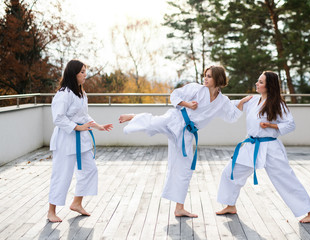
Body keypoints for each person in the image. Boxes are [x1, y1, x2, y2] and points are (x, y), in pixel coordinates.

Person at [119, 66, 252, 218]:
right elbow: (175, 95)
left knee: (184, 169)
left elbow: (232, 115)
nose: (205, 78)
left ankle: (179, 208)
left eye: (209, 76)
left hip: (187, 133)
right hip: (175, 119)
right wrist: (188, 104)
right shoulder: (196, 89)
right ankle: (134, 116)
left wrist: (242, 102)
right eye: (205, 75)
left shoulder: (222, 101)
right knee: (153, 123)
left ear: (218, 79)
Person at [216, 71, 310, 223]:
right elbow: (230, 105)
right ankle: (230, 205)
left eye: (261, 82)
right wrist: (216, 95)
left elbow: (290, 124)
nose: (257, 84)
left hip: (271, 147)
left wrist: (271, 125)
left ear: (269, 86)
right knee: (230, 172)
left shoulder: (278, 103)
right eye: (258, 81)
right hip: (251, 145)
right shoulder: (252, 100)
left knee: (286, 179)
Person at [47, 60, 113, 222]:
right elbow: (58, 118)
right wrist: (77, 128)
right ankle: (51, 211)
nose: (85, 75)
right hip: (65, 140)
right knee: (61, 175)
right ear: (73, 74)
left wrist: (98, 126)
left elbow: (84, 116)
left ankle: (77, 203)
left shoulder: (82, 94)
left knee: (90, 170)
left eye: (85, 72)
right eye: (82, 72)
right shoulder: (63, 94)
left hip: (81, 140)